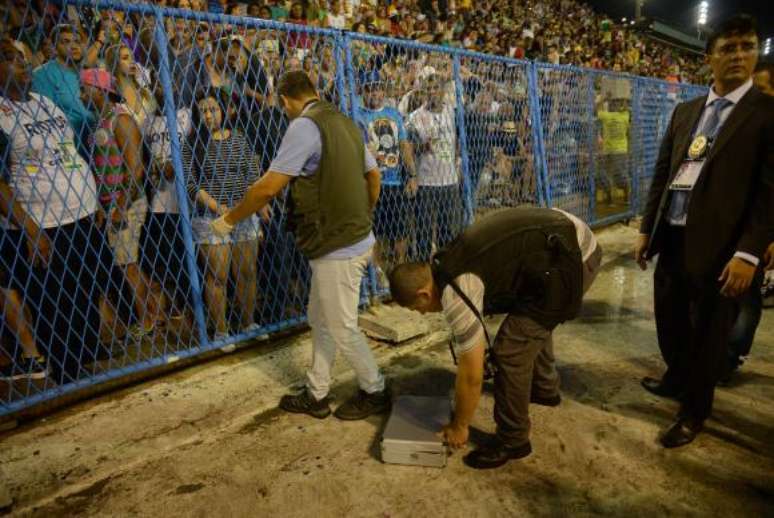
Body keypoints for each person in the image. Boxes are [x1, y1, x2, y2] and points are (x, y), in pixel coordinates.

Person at [211, 71, 389, 420]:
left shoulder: (304, 126)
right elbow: (374, 176)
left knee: (341, 326)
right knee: (321, 319)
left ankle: (375, 388)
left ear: (284, 101)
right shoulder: (346, 122)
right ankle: (317, 392)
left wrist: (229, 219)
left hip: (337, 246)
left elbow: (267, 187)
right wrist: (362, 212)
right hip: (352, 239)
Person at [634, 15, 774, 448]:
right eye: (728, 48)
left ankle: (695, 412)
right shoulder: (688, 111)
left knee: (709, 334)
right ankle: (677, 378)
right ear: (709, 56)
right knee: (671, 319)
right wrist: (646, 228)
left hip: (724, 247)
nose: (738, 56)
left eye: (746, 47)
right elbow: (665, 171)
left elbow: (770, 193)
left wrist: (749, 252)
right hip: (673, 236)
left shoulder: (766, 114)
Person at [387, 207, 602, 469]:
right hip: (562, 246)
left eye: (416, 308)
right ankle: (544, 389)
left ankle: (514, 440)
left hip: (574, 257)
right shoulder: (442, 262)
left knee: (511, 351)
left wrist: (460, 425)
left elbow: (472, 374)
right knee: (528, 324)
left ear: (423, 294)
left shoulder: (457, 291)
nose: (421, 314)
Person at [0, 40, 110, 382]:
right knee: (54, 300)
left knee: (89, 286)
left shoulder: (44, 102)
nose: (21, 63)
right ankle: (66, 372)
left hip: (82, 214)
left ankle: (85, 357)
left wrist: (93, 199)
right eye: (10, 59)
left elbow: (70, 151)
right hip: (44, 224)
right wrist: (32, 231)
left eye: (22, 57)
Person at [80, 68, 158, 340]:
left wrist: (119, 206)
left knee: (128, 265)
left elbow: (136, 169)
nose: (80, 94)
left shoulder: (120, 119)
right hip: (112, 204)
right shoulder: (101, 120)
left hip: (126, 204)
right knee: (127, 264)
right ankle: (152, 312)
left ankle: (148, 319)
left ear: (99, 90)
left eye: (84, 88)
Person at [183, 90, 262, 340]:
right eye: (202, 111)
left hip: (243, 212)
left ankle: (248, 324)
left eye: (212, 109)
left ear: (224, 110)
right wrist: (220, 208)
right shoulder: (193, 144)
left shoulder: (238, 139)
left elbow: (252, 170)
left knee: (247, 272)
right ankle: (221, 331)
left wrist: (244, 203)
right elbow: (191, 184)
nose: (207, 115)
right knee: (218, 275)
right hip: (210, 217)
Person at [354, 71, 418, 272]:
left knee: (400, 231)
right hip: (371, 183)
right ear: (363, 91)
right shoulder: (357, 115)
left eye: (378, 88)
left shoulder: (393, 114)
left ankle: (399, 270)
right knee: (375, 233)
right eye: (370, 88)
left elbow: (404, 145)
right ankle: (377, 274)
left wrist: (413, 174)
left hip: (394, 182)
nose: (375, 93)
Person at [407, 73, 462, 261]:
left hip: (449, 180)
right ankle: (422, 266)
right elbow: (409, 150)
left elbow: (457, 140)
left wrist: (457, 162)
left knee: (447, 231)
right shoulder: (416, 117)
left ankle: (444, 265)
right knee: (423, 230)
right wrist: (424, 147)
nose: (431, 93)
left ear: (443, 91)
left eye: (435, 88)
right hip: (427, 181)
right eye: (428, 89)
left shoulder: (452, 112)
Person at [31, 23, 94, 154]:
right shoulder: (43, 74)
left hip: (97, 142)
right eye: (66, 42)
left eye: (77, 41)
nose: (74, 46)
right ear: (54, 47)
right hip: (69, 147)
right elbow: (45, 117)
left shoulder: (89, 73)